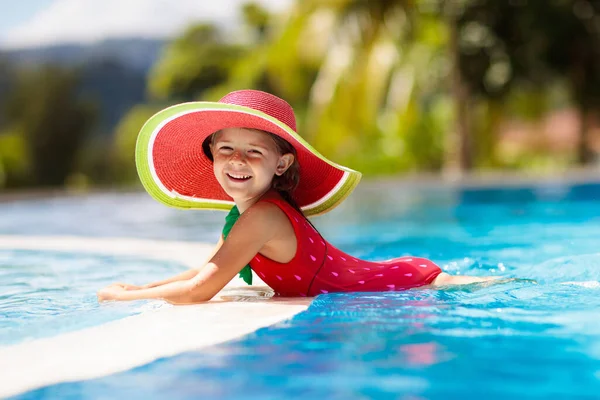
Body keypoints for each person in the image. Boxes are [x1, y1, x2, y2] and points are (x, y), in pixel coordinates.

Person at [97, 90, 496, 304]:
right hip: (390, 278)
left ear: (282, 164)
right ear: (212, 158)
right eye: (226, 150)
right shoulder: (243, 219)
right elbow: (205, 270)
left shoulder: (262, 218)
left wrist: (123, 300)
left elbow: (201, 290)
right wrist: (140, 288)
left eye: (254, 151)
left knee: (498, 286)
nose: (238, 160)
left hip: (402, 283)